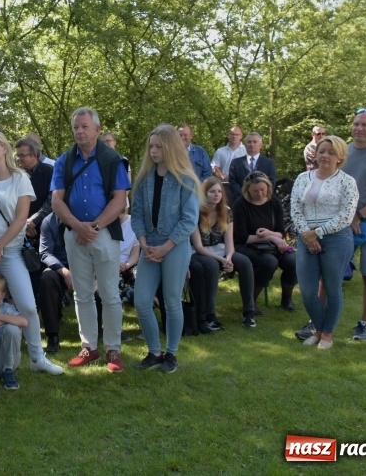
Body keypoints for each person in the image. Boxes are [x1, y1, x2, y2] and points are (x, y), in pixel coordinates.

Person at [298, 108, 366, 342]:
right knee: (328, 276)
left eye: (365, 124)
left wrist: (359, 216)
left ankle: (364, 324)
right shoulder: (343, 152)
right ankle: (317, 323)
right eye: (356, 124)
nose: (359, 128)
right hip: (339, 227)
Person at [0, 129, 63, 376]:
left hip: (10, 250)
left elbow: (21, 219)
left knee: (27, 305)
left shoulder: (20, 178)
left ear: (4, 148)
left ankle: (37, 358)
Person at [51, 107, 130, 373]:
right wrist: (77, 226)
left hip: (104, 234)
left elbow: (120, 199)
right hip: (75, 235)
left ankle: (113, 350)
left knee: (109, 294)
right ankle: (89, 347)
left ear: (97, 129)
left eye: (85, 126)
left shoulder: (112, 159)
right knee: (82, 293)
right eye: (76, 127)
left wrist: (93, 226)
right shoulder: (65, 160)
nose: (79, 131)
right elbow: (56, 199)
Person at [131, 124, 201, 373]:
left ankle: (171, 354)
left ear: (171, 147)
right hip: (149, 245)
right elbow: (136, 214)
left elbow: (189, 220)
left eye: (159, 146)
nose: (153, 151)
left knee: (172, 302)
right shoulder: (143, 180)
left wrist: (165, 247)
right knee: (141, 301)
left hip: (176, 245)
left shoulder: (185, 180)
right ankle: (154, 352)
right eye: (151, 146)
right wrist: (143, 244)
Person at [290, 136, 358, 349]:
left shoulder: (347, 182)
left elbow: (346, 216)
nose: (325, 156)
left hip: (337, 238)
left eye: (330, 152)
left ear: (340, 157)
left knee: (332, 288)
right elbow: (295, 208)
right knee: (308, 291)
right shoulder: (302, 178)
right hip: (305, 237)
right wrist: (306, 233)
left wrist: (318, 232)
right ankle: (318, 330)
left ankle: (327, 334)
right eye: (321, 151)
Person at [190, 177, 254, 328]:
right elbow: (198, 246)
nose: (216, 195)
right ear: (204, 193)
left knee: (244, 262)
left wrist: (229, 258)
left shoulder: (226, 211)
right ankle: (210, 315)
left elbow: (229, 242)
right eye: (212, 192)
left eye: (219, 191)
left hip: (222, 250)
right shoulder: (195, 212)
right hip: (199, 253)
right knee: (212, 265)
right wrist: (221, 259)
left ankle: (249, 312)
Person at [233, 171, 297, 321]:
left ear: (268, 187)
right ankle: (251, 302)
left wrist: (271, 235)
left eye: (263, 189)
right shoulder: (240, 205)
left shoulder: (273, 202)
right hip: (247, 245)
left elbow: (281, 231)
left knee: (293, 260)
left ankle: (286, 300)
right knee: (269, 262)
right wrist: (271, 237)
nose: (260, 194)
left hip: (272, 244)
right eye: (255, 191)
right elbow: (242, 237)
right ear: (247, 189)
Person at [38, 213, 72, 353]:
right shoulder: (48, 222)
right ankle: (53, 336)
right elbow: (45, 253)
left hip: (85, 264)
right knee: (47, 279)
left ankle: (100, 331)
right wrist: (64, 272)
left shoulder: (84, 217)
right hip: (60, 267)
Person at [15, 137, 53, 249]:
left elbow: (53, 199)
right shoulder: (16, 175)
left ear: (35, 155)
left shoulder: (49, 171)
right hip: (21, 229)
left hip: (47, 227)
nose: (19, 159)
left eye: (23, 155)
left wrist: (34, 220)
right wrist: (24, 224)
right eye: (17, 155)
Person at [229, 132, 277, 202]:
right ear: (245, 145)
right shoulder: (235, 163)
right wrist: (246, 196)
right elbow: (232, 182)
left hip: (262, 202)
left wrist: (260, 196)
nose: (252, 144)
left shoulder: (269, 163)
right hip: (241, 202)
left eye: (255, 142)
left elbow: (271, 182)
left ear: (261, 145)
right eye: (249, 142)